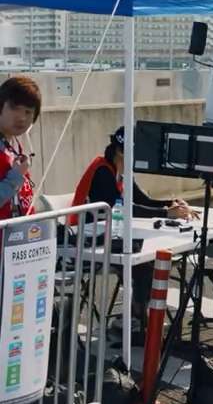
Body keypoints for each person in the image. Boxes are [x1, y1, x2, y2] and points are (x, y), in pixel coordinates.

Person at [69, 127, 198, 327]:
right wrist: (166, 213)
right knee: (143, 263)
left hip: (110, 235)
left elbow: (142, 200)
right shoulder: (102, 170)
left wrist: (172, 204)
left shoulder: (122, 171)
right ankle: (136, 318)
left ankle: (135, 315)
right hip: (86, 240)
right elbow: (123, 208)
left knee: (148, 257)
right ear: (120, 151)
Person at [0, 76, 39, 223]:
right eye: (14, 108)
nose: (22, 118)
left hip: (22, 234)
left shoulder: (14, 143)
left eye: (28, 112)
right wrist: (15, 176)